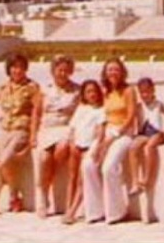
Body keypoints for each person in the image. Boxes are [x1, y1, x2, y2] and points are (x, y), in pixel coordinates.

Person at [0, 53, 42, 217]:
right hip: (5, 131)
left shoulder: (32, 87)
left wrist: (33, 135)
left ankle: (14, 196)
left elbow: (38, 111)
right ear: (9, 69)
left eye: (21, 67)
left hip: (21, 131)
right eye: (14, 67)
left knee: (3, 162)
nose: (17, 70)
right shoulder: (4, 87)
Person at [81, 57, 138, 224]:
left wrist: (116, 134)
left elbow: (132, 115)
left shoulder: (129, 91)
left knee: (108, 167)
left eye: (116, 69)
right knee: (88, 164)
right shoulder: (106, 92)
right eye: (109, 70)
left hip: (124, 133)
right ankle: (95, 210)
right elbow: (103, 117)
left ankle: (116, 212)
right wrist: (100, 141)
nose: (113, 73)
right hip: (106, 131)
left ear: (122, 72)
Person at [32, 55, 79, 218]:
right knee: (44, 158)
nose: (63, 73)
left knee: (61, 149)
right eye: (59, 70)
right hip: (47, 129)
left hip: (66, 128)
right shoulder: (45, 90)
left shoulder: (76, 90)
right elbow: (36, 113)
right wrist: (33, 135)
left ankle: (48, 185)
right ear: (53, 71)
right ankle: (42, 196)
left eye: (66, 70)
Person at [62, 79, 106, 225]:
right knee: (71, 177)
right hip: (76, 146)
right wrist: (72, 142)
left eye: (94, 91)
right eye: (88, 92)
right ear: (84, 94)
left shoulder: (100, 110)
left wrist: (97, 146)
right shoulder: (81, 108)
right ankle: (69, 207)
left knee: (82, 181)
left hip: (88, 147)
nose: (91, 94)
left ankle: (72, 211)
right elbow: (73, 127)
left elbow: (100, 131)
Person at [128, 77, 164, 196]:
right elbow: (134, 121)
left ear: (153, 90)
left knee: (149, 147)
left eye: (147, 91)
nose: (145, 95)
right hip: (144, 133)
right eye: (142, 92)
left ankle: (146, 179)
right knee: (133, 148)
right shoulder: (139, 106)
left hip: (157, 133)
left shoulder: (158, 105)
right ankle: (135, 181)